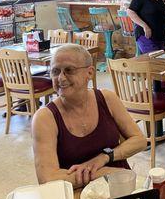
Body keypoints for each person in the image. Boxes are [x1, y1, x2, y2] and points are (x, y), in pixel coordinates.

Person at [32, 44, 147, 188]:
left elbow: (140, 140)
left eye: (69, 70)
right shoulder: (45, 118)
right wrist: (102, 172)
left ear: (90, 73)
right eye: (55, 71)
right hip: (80, 191)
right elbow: (47, 179)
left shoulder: (107, 99)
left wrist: (105, 157)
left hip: (120, 184)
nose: (61, 78)